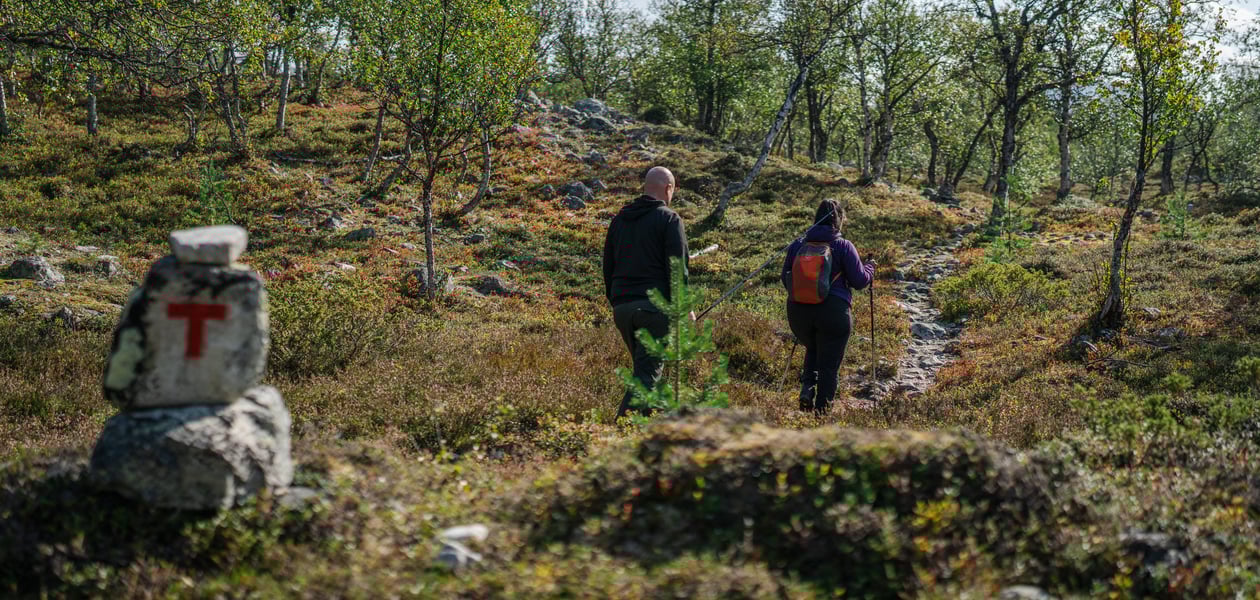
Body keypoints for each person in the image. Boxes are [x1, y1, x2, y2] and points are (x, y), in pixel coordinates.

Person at [602, 166, 690, 418]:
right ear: (668, 188)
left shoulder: (619, 220)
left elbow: (608, 266)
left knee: (647, 370)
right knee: (646, 377)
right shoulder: (669, 219)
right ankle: (618, 434)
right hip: (653, 310)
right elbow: (678, 268)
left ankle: (652, 432)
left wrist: (617, 300)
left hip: (622, 309)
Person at [781, 198, 875, 414]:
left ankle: (807, 387)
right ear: (838, 220)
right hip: (834, 313)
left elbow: (784, 277)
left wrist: (805, 294)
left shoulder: (797, 245)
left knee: (813, 345)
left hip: (798, 313)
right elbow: (860, 281)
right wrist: (870, 268)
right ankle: (821, 414)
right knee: (829, 365)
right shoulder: (843, 246)